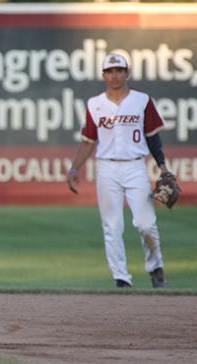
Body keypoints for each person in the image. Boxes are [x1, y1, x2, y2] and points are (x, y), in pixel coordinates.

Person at [66, 53, 172, 289]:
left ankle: (155, 266)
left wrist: (163, 167)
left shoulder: (142, 100)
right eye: (110, 71)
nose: (114, 75)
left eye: (119, 70)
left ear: (127, 73)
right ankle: (121, 277)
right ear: (103, 75)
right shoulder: (95, 104)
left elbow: (153, 138)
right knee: (112, 225)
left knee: (145, 223)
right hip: (107, 168)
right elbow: (88, 141)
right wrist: (74, 168)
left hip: (135, 165)